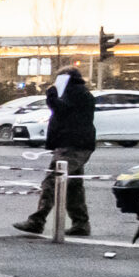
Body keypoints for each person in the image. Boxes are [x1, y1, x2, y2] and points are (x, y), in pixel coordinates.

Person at [14, 64, 98, 238]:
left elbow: (61, 110)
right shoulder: (81, 93)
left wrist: (51, 96)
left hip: (71, 146)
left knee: (52, 182)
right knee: (72, 186)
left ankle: (37, 221)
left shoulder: (73, 93)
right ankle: (80, 223)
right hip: (79, 144)